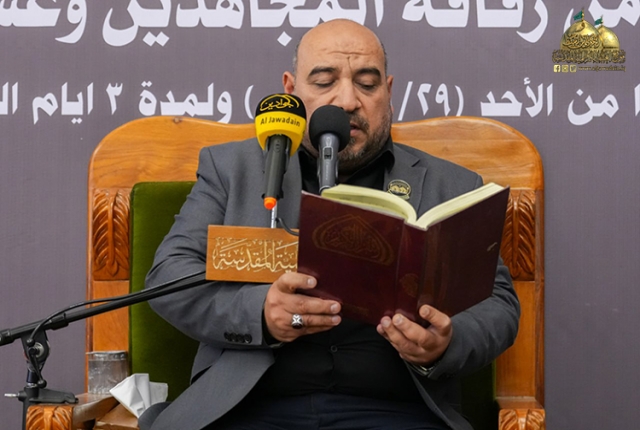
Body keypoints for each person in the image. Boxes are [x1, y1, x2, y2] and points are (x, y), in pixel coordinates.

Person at [143, 19, 520, 430]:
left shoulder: (452, 185)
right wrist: (260, 313)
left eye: (367, 84)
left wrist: (443, 343)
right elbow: (169, 276)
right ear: (291, 91)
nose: (347, 100)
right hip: (247, 407)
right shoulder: (232, 169)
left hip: (398, 412)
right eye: (324, 82)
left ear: (389, 92)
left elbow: (498, 302)